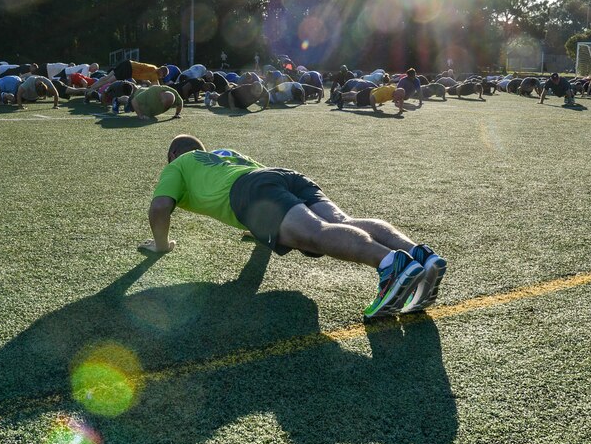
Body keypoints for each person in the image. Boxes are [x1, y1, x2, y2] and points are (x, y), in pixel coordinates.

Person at [143, 135, 447, 319]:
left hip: (252, 189)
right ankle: (419, 254)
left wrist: (161, 245)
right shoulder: (227, 156)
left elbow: (159, 207)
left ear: (172, 156)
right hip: (283, 176)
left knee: (315, 234)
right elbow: (268, 185)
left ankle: (390, 265)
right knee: (343, 222)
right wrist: (258, 229)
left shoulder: (178, 164)